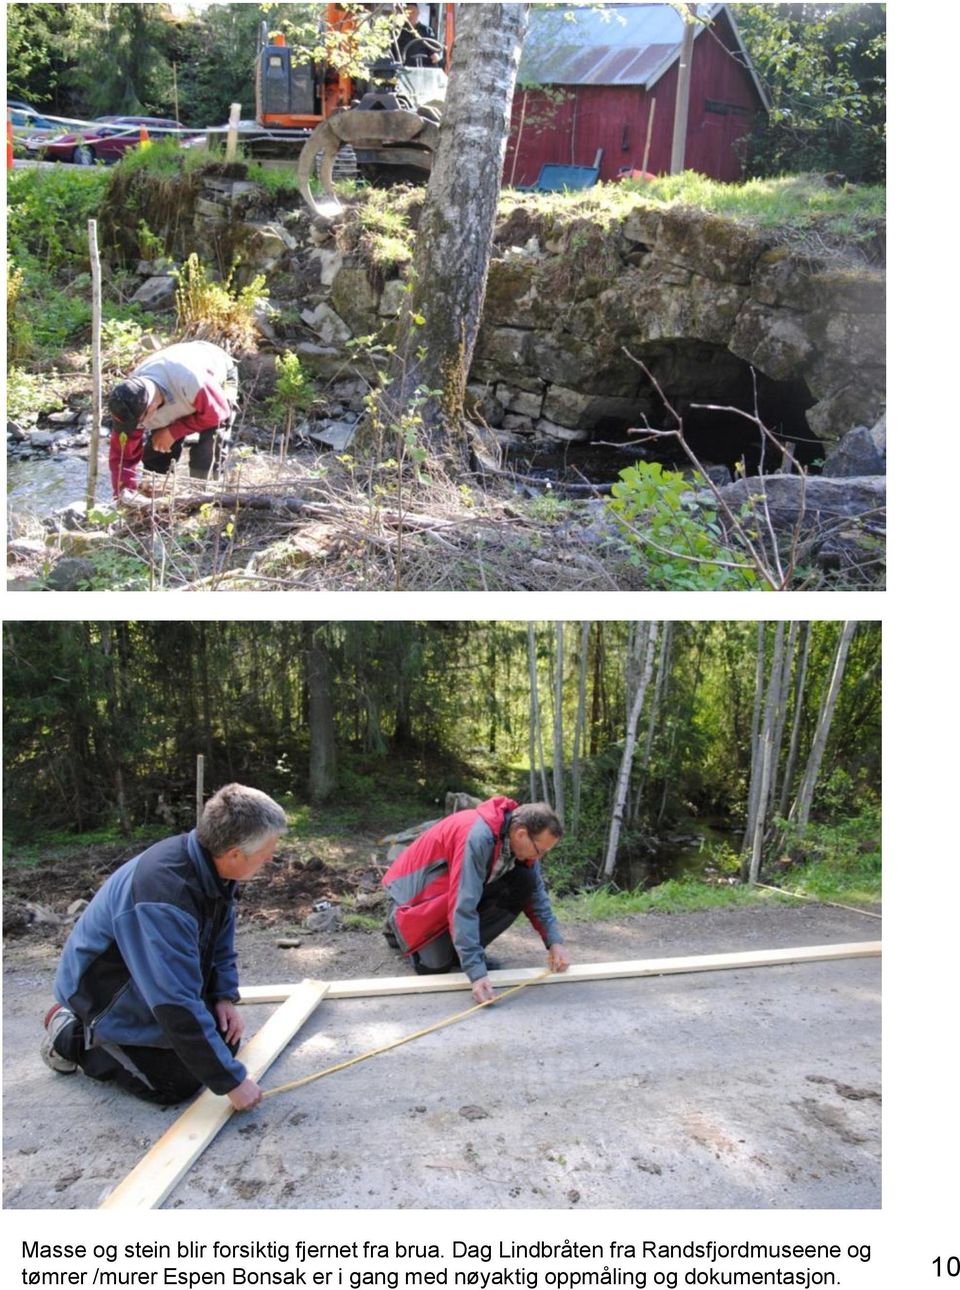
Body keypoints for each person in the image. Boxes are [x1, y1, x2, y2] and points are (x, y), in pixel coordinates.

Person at [40, 784, 287, 1110]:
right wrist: (233, 1083)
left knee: (226, 1044)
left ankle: (130, 1040)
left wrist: (222, 996)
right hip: (105, 993)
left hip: (149, 980)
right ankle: (70, 1033)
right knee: (176, 1083)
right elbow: (175, 1003)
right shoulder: (164, 898)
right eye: (267, 851)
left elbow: (219, 941)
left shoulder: (214, 871)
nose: (271, 856)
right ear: (234, 854)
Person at [382, 797, 571, 1003]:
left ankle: (461, 951)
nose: (539, 857)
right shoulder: (477, 837)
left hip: (447, 893)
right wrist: (476, 972)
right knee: (434, 968)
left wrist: (554, 942)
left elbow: (536, 895)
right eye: (539, 850)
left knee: (523, 882)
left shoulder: (522, 847)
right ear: (521, 834)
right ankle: (396, 930)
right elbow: (463, 904)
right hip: (412, 897)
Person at [107, 339, 239, 506]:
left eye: (137, 422)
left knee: (207, 451)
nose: (133, 428)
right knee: (156, 455)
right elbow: (122, 458)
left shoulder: (193, 381)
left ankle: (203, 504)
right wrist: (123, 497)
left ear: (152, 407)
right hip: (179, 396)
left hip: (218, 374)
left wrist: (174, 431)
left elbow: (219, 413)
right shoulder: (128, 399)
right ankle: (158, 504)